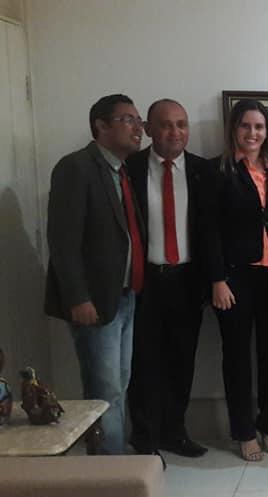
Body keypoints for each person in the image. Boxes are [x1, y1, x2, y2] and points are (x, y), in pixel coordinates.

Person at [45, 94, 145, 455]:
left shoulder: (120, 171)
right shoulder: (76, 167)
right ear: (100, 126)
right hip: (95, 300)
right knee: (104, 390)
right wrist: (78, 297)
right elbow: (63, 240)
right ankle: (108, 470)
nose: (137, 128)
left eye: (138, 121)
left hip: (125, 294)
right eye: (127, 120)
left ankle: (115, 458)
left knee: (120, 383)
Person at [203, 99, 268, 462]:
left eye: (259, 127)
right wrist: (217, 279)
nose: (252, 133)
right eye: (245, 126)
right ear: (233, 129)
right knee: (237, 356)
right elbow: (209, 230)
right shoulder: (217, 170)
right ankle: (243, 431)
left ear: (267, 132)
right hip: (235, 278)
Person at [127, 99, 210, 458]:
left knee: (181, 361)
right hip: (145, 281)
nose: (175, 132)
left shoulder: (203, 171)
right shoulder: (129, 168)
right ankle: (144, 438)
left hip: (187, 281)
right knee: (143, 362)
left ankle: (175, 432)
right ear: (148, 129)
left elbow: (211, 231)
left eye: (181, 124)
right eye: (165, 124)